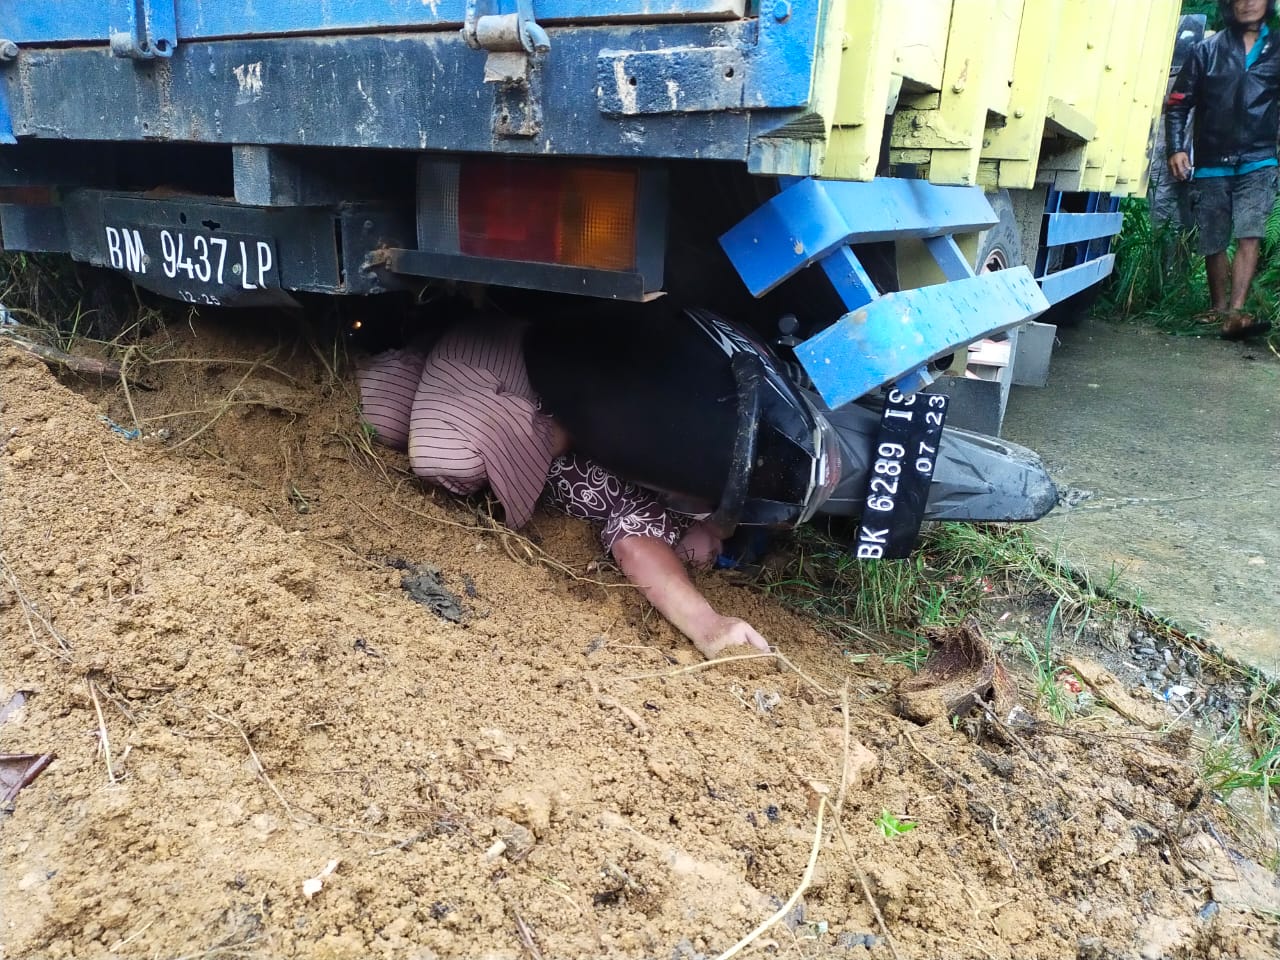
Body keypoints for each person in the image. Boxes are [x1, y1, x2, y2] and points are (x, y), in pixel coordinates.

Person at [355, 314, 770, 660]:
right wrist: (709, 625)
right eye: (720, 555)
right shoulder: (688, 494)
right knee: (449, 459)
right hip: (536, 364)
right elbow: (639, 552)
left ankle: (427, 353)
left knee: (384, 415)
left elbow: (634, 542)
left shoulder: (656, 515)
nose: (707, 563)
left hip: (522, 399)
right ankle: (456, 343)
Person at [1166, 0, 1280, 340]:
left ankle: (1236, 311)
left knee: (1250, 231)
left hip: (1259, 159)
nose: (1248, 4)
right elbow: (1178, 103)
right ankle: (1218, 308)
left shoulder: (1276, 49)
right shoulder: (1206, 50)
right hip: (1213, 160)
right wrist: (1176, 148)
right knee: (1212, 237)